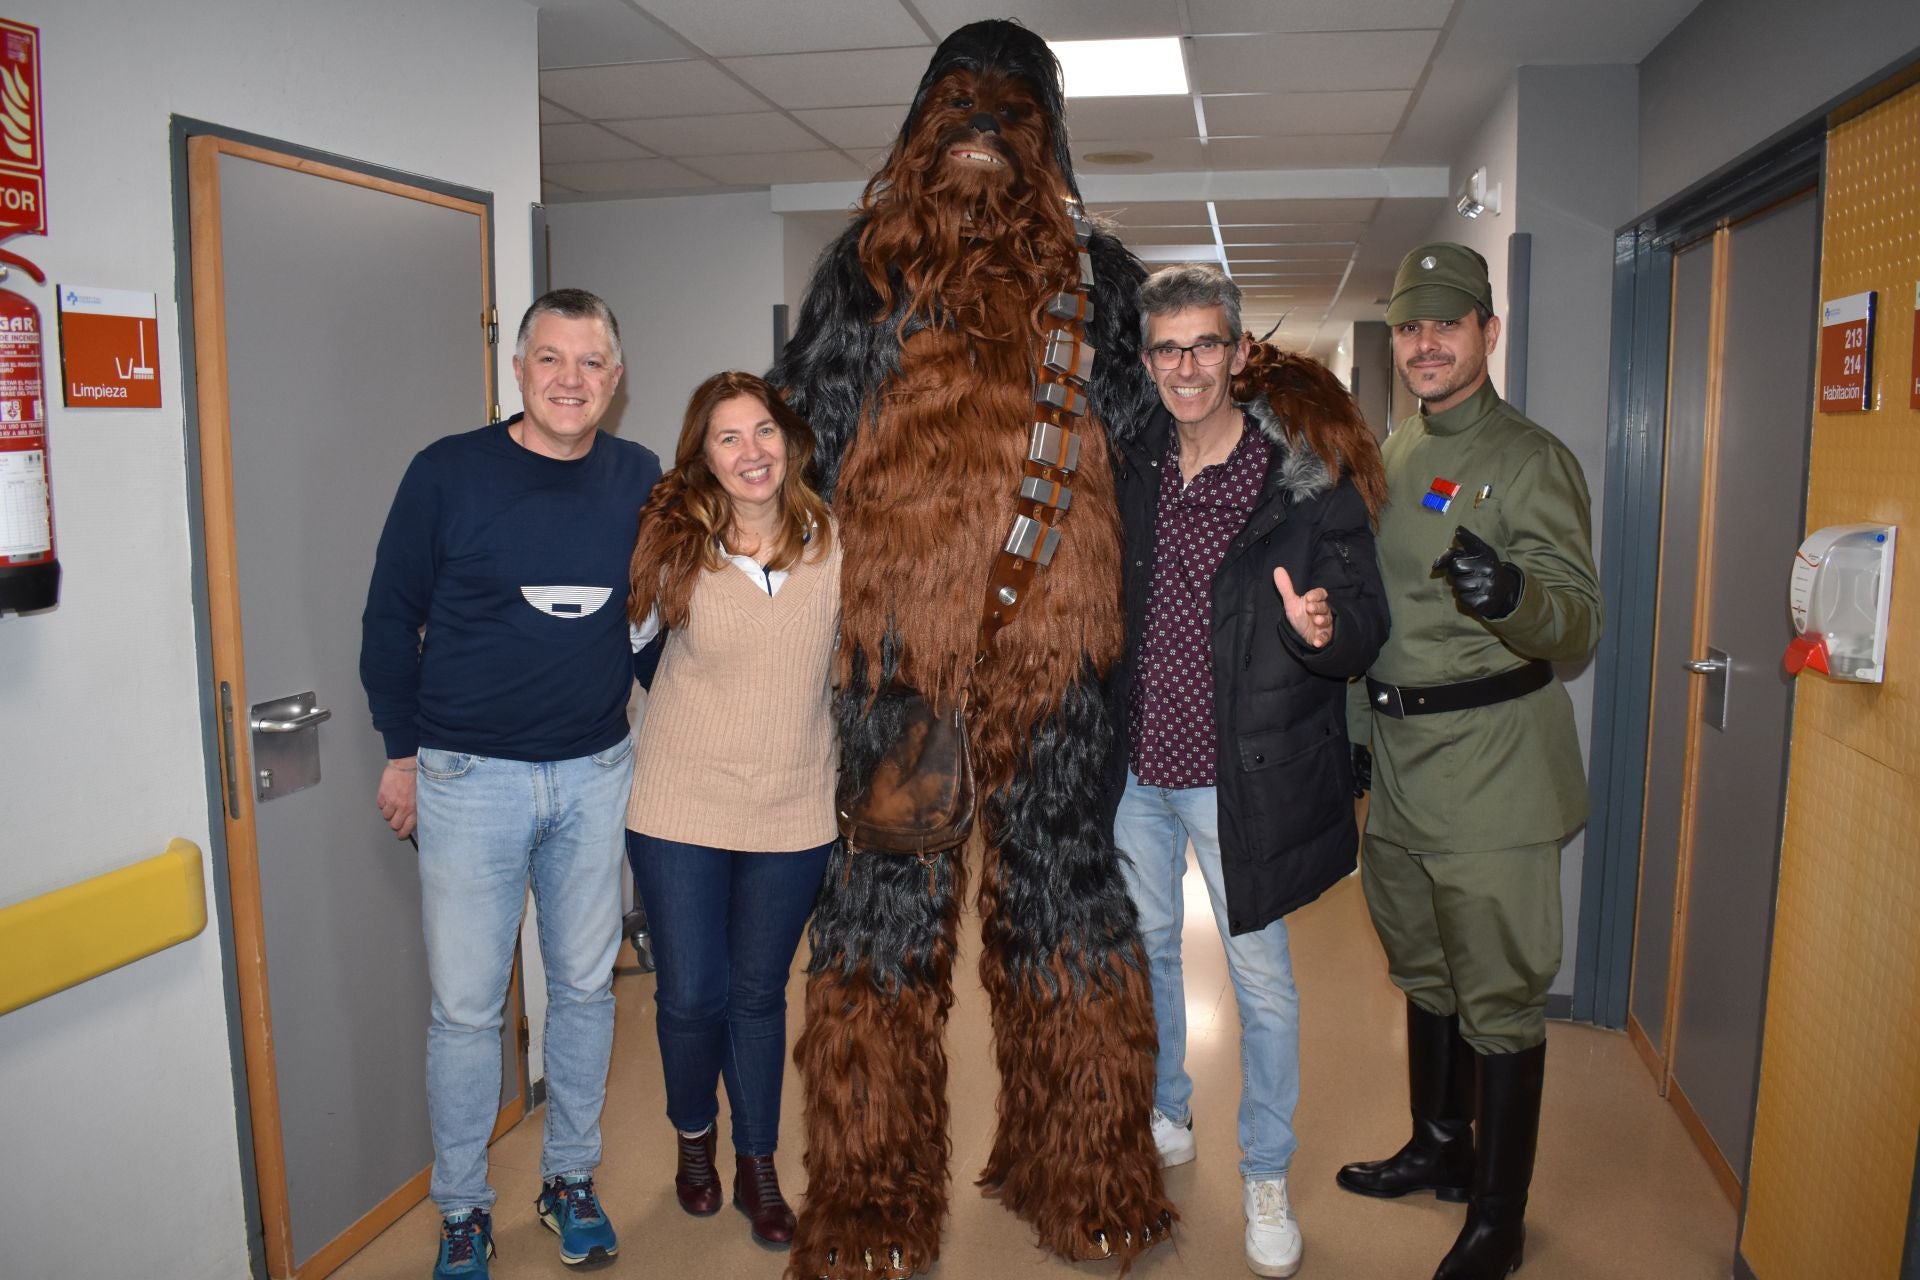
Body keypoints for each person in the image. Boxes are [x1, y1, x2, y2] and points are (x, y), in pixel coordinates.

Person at [769, 20, 1175, 1278]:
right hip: (899, 669)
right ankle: (871, 1197)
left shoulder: (1101, 283)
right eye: (962, 105)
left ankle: (1086, 1166)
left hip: (1057, 673)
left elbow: (1156, 463)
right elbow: (797, 456)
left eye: (1011, 110)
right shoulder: (862, 278)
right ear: (919, 124)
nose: (986, 127)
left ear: (1048, 134)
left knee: (1067, 907)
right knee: (885, 922)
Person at [359, 289, 659, 1280]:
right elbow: (387, 619)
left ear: (615, 380)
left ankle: (569, 1179)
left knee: (581, 989)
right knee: (466, 1007)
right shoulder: (447, 473)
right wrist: (401, 751)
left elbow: (654, 622)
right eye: (551, 358)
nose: (570, 379)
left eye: (591, 362)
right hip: (467, 775)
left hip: (593, 770)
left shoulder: (638, 475)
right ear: (518, 368)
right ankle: (461, 1208)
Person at [1105, 264, 1389, 1279]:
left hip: (1245, 777)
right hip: (1137, 774)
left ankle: (1265, 1168)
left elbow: (1367, 618)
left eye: (1205, 345)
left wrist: (1325, 625)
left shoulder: (1302, 481)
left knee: (1262, 983)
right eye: (1167, 348)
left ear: (1235, 353)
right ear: (1148, 361)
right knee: (1147, 955)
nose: (1187, 366)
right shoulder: (1130, 464)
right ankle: (1167, 1103)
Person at [1336, 243, 1601, 1280]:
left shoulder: (1532, 460)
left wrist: (1515, 599)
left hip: (1494, 771)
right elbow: (1377, 614)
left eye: (1449, 322)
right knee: (1427, 971)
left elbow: (1577, 628)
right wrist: (1359, 742)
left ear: (1489, 331)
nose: (1427, 342)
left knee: (1499, 992)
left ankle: (1498, 1211)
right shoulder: (1396, 450)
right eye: (1411, 326)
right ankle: (1440, 1144)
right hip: (1404, 766)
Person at [621, 371, 840, 1251]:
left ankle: (758, 1165)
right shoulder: (673, 545)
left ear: (789, 440)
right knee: (690, 998)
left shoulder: (838, 543)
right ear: (702, 457)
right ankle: (693, 1141)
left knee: (757, 997)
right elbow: (635, 652)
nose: (751, 453)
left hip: (794, 810)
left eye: (763, 432)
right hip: (680, 809)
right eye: (727, 438)